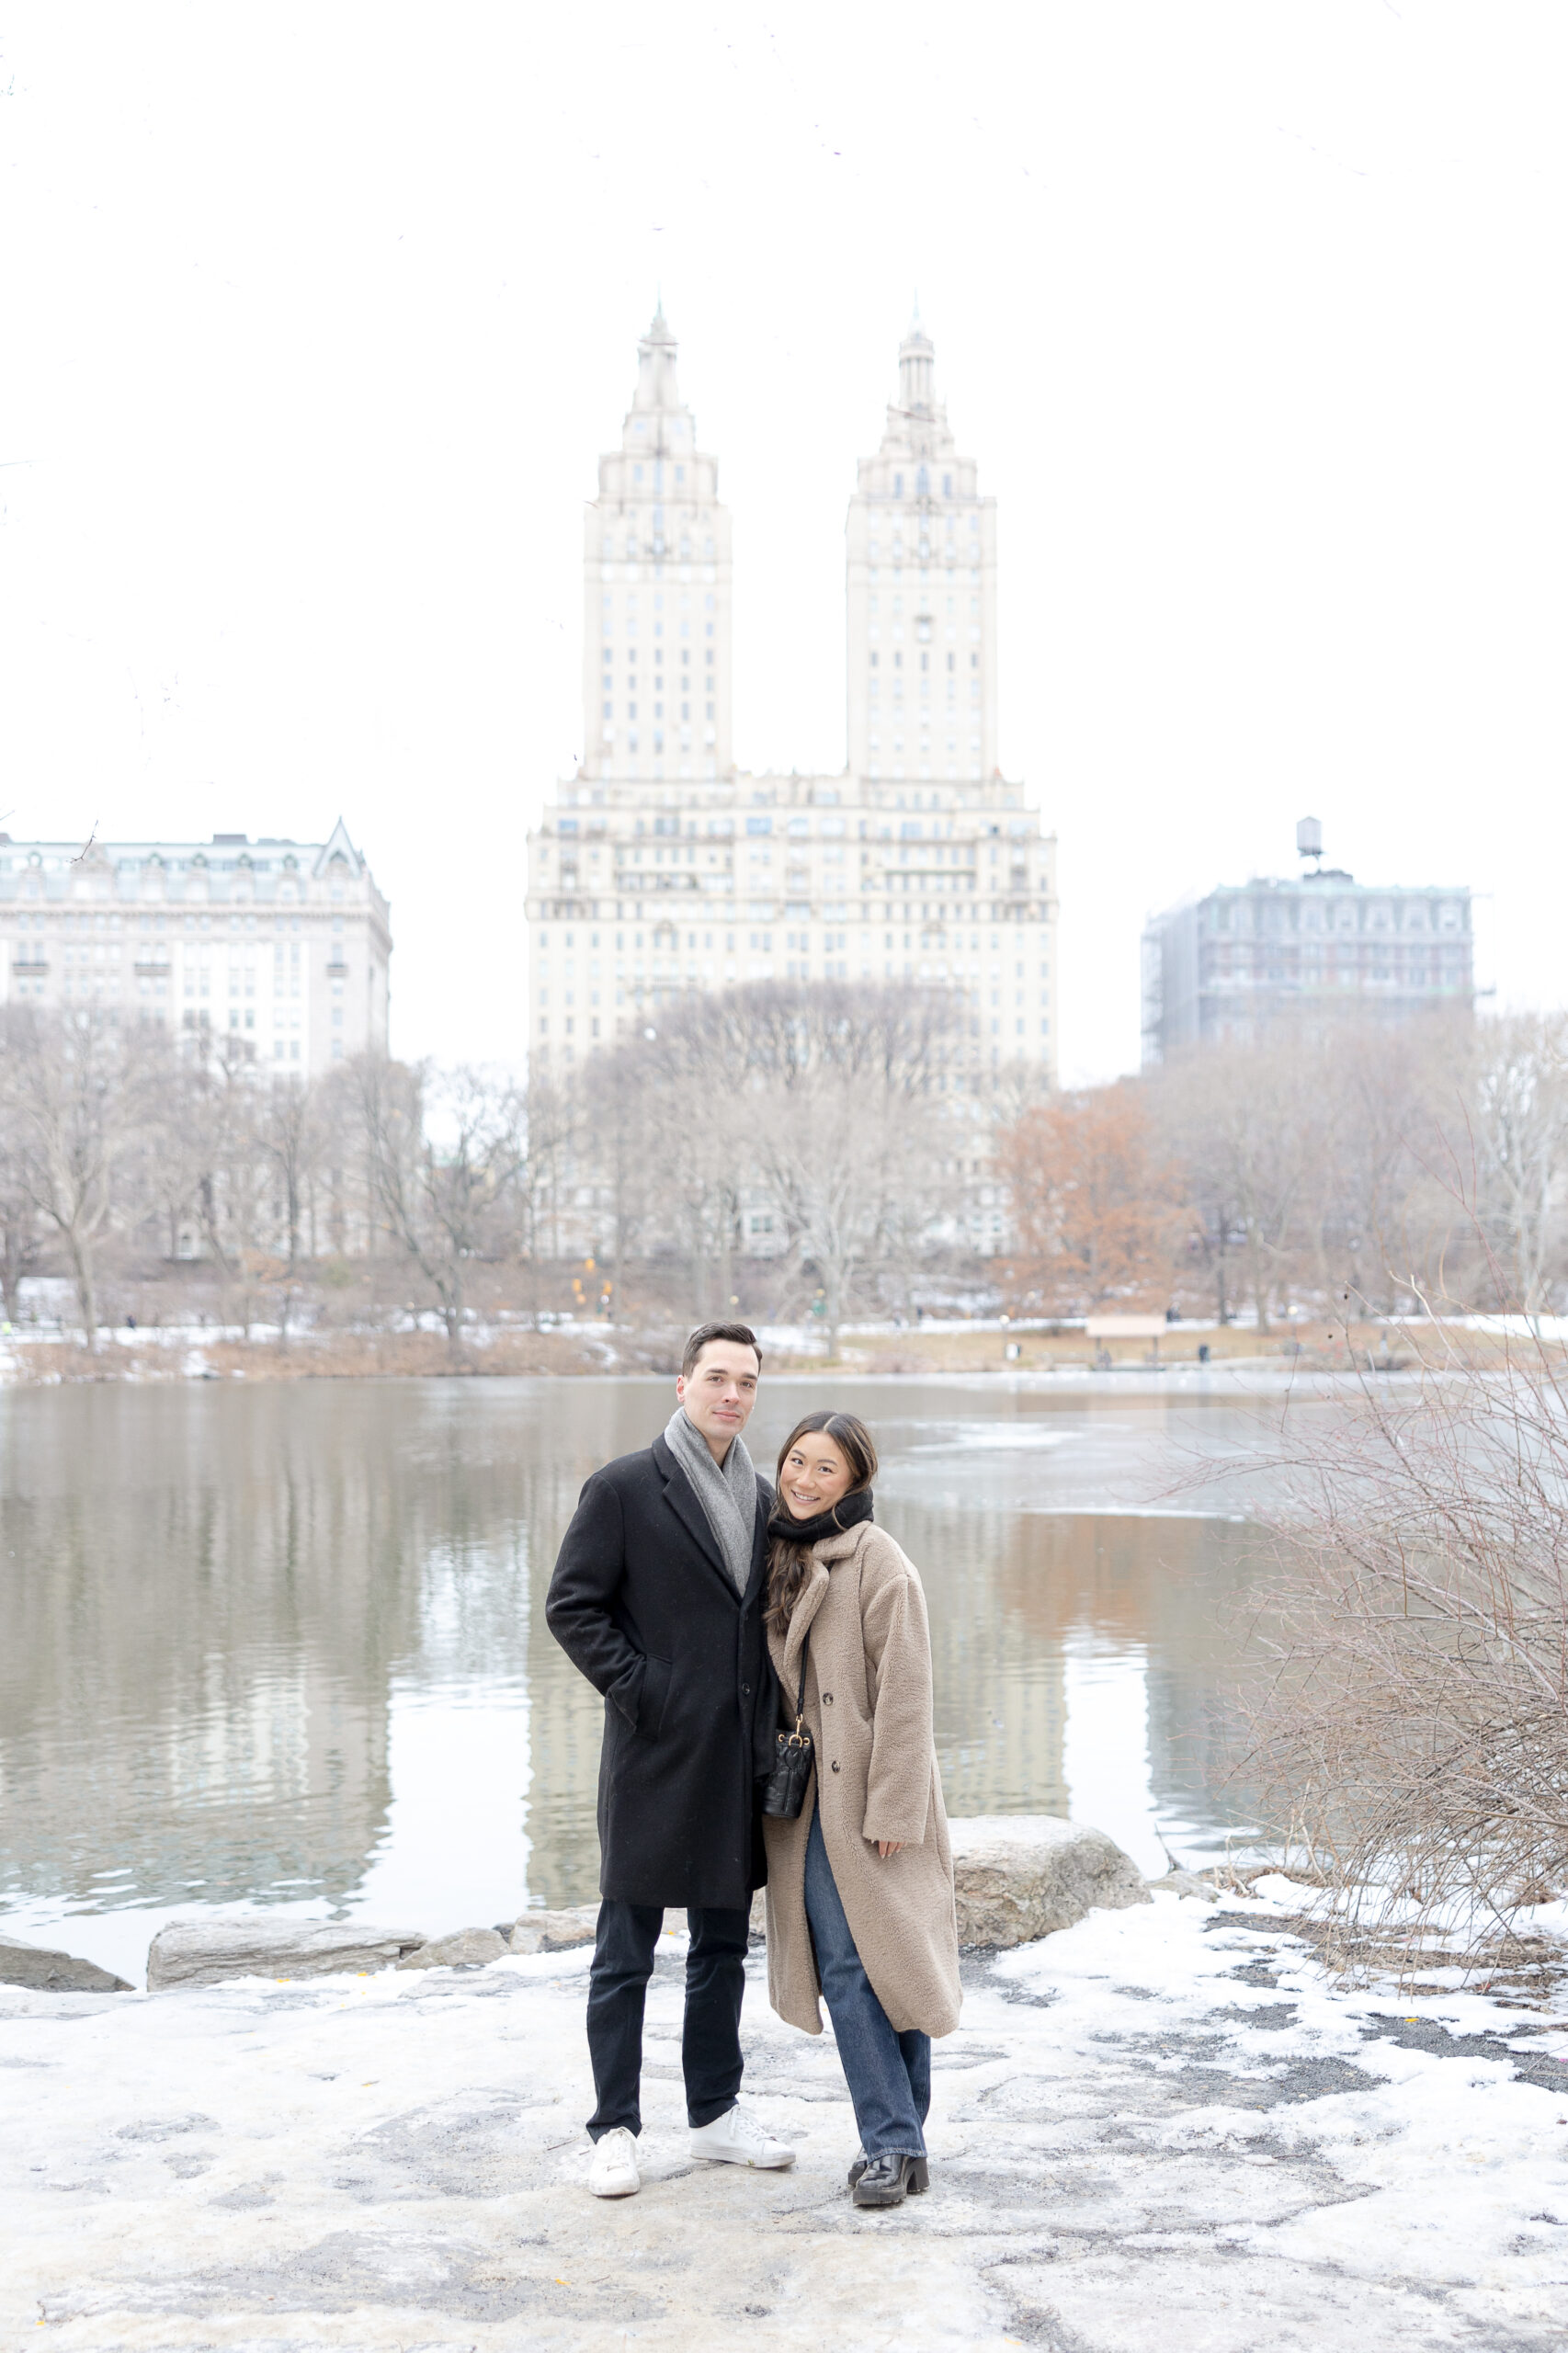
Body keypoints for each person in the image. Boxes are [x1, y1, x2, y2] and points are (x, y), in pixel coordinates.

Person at [545, 1320, 795, 2200]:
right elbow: (572, 1608)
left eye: (748, 1383)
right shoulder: (621, 1488)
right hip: (654, 1756)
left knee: (723, 1949)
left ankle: (716, 2115)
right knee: (625, 1952)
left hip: (735, 1762)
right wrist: (644, 1691)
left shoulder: (765, 1498)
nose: (733, 1395)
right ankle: (613, 2128)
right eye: (718, 1378)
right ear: (682, 1385)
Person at [761, 1411, 960, 2210]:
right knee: (866, 1963)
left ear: (855, 1483)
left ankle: (889, 2144)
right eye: (797, 1462)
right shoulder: (782, 1549)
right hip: (805, 1802)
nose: (804, 1481)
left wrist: (894, 1810)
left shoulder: (880, 1562)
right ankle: (902, 2140)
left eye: (825, 1471)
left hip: (871, 1804)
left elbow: (909, 1695)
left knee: (869, 1964)